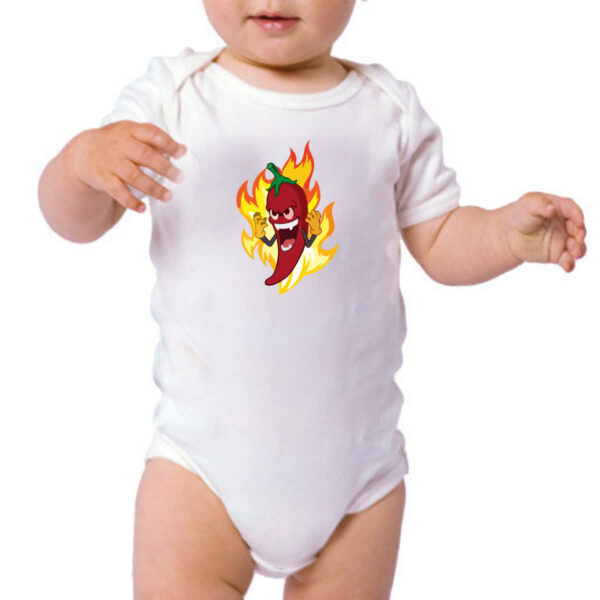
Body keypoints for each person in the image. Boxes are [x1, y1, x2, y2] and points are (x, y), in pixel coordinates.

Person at [37, 1, 587, 598]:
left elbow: (441, 239)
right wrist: (82, 164)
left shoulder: (389, 111)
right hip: (201, 473)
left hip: (358, 485)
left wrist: (505, 236)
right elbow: (76, 222)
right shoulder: (171, 99)